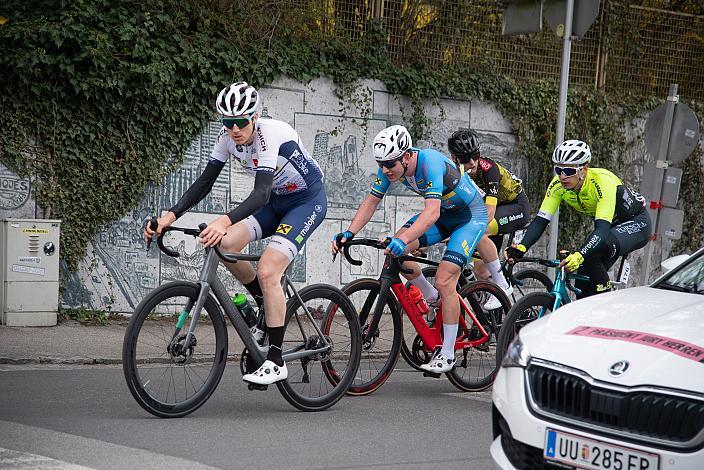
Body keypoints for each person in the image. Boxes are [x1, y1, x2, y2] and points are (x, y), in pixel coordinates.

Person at [144, 81, 327, 385]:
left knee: (269, 269)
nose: (234, 129)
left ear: (254, 117)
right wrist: (169, 216)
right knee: (225, 244)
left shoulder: (270, 135)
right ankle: (261, 303)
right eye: (227, 123)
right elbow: (204, 183)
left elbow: (261, 193)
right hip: (278, 201)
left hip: (306, 201)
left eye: (240, 122)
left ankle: (276, 359)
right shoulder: (227, 138)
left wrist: (223, 219)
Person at [331, 125, 488, 373]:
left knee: (445, 279)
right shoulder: (391, 166)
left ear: (406, 156)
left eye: (390, 164)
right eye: (381, 164)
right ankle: (431, 297)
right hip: (444, 215)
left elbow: (432, 211)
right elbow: (372, 201)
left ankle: (447, 354)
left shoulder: (430, 162)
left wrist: (404, 240)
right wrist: (349, 232)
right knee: (396, 250)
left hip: (469, 217)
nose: (385, 170)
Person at [506, 139, 651, 298]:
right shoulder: (557, 186)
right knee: (583, 277)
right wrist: (521, 248)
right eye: (558, 169)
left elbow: (601, 230)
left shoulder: (603, 182)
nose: (562, 176)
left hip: (637, 223)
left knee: (592, 254)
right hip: (610, 227)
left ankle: (606, 304)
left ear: (584, 170)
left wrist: (579, 255)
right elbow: (541, 221)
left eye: (568, 171)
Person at [448, 129, 531, 308]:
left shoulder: (488, 169)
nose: (472, 162)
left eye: (475, 155)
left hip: (516, 206)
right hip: (496, 211)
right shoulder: (455, 174)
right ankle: (497, 317)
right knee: (480, 270)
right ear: (454, 158)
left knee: (480, 230)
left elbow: (490, 211)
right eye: (465, 159)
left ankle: (504, 288)